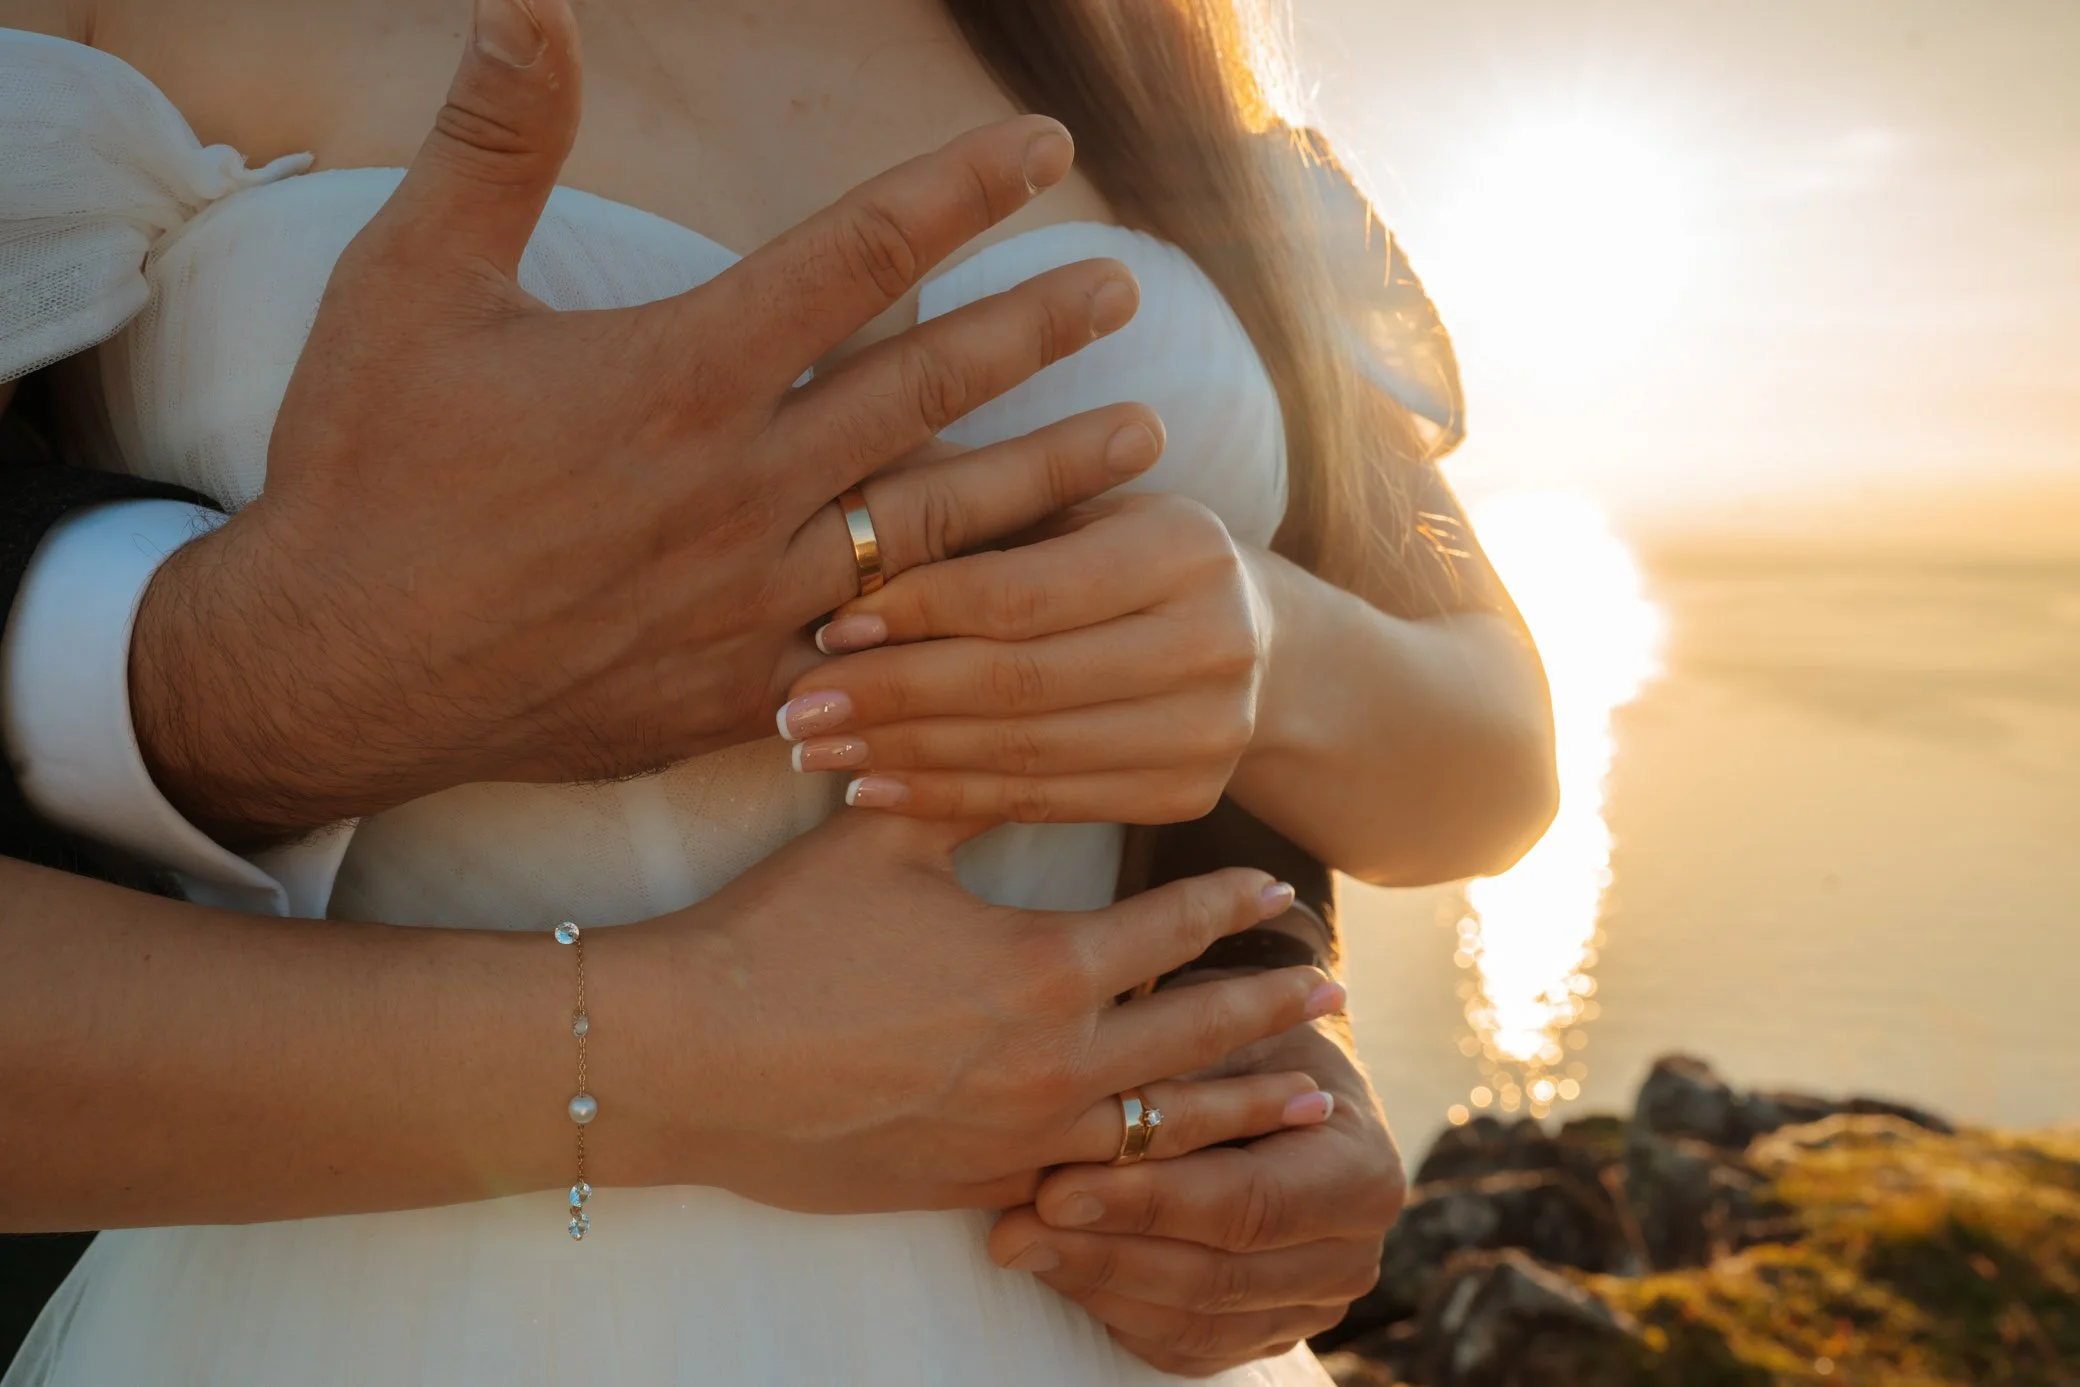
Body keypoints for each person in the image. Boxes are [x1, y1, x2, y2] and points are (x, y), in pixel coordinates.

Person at [0, 0, 1555, 1382]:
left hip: (1079, 1309)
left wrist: (1268, 656)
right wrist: (677, 1055)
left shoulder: (1138, 42)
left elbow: (1493, 754)